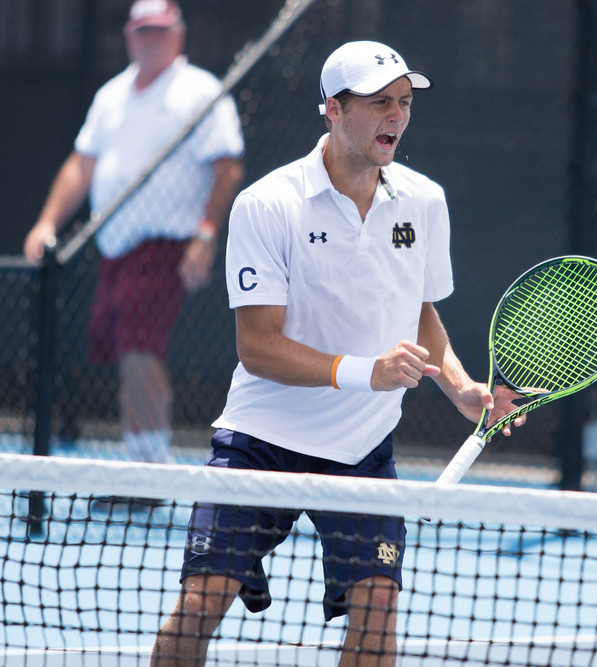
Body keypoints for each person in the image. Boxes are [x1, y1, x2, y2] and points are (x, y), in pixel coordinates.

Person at [149, 41, 526, 666]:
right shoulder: (267, 204)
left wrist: (460, 387)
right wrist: (365, 373)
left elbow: (418, 308)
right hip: (260, 444)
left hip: (362, 454)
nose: (397, 115)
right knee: (200, 604)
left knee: (378, 608)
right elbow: (258, 346)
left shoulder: (425, 201)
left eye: (404, 102)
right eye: (380, 102)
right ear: (333, 108)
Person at [22, 0, 244, 468]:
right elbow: (82, 164)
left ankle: (151, 468)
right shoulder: (111, 95)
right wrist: (46, 223)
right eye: (143, 31)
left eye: (160, 31)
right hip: (115, 248)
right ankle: (139, 462)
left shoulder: (201, 91)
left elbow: (227, 167)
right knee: (128, 355)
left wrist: (206, 234)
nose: (151, 39)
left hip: (167, 245)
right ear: (128, 36)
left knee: (141, 351)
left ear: (178, 35)